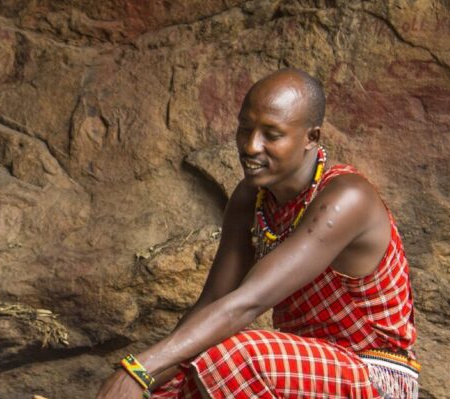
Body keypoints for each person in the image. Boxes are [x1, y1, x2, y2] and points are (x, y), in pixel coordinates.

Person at [97, 68, 419, 398]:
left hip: (373, 375)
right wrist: (151, 379)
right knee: (178, 381)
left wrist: (138, 370)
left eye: (272, 135)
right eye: (245, 129)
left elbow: (246, 303)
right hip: (297, 371)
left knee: (235, 358)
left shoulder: (346, 198)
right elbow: (213, 303)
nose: (251, 146)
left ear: (312, 137)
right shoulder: (251, 197)